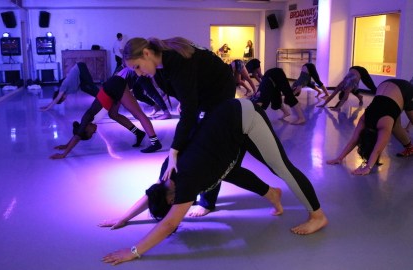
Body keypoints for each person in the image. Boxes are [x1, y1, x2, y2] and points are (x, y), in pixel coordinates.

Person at [99, 99, 328, 266]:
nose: (177, 206)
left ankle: (318, 216)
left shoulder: (184, 181)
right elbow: (151, 196)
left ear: (172, 199)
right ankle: (271, 194)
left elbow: (168, 224)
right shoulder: (166, 177)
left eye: (174, 204)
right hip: (226, 131)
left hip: (245, 117)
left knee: (281, 167)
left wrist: (133, 251)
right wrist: (124, 218)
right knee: (224, 172)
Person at [122, 36, 236, 216]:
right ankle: (188, 188)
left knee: (207, 139)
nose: (138, 73)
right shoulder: (158, 70)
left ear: (146, 53)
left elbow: (189, 110)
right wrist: (186, 100)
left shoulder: (176, 61)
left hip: (219, 89)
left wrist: (174, 150)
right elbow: (186, 96)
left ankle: (207, 202)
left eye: (137, 66)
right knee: (189, 137)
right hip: (203, 92)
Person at [49, 68, 163, 159]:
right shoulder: (87, 122)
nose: (94, 132)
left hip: (115, 86)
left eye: (91, 133)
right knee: (113, 114)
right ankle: (138, 133)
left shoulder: (87, 118)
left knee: (138, 114)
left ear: (86, 128)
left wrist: (64, 154)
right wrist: (66, 145)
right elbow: (78, 133)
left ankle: (155, 142)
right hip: (111, 92)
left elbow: (78, 135)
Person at [326, 79, 413, 175]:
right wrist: (339, 158)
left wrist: (368, 167)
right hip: (386, 86)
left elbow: (377, 150)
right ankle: (409, 147)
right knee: (395, 125)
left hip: (405, 90)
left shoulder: (383, 125)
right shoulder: (364, 119)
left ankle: (409, 147)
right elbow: (354, 140)